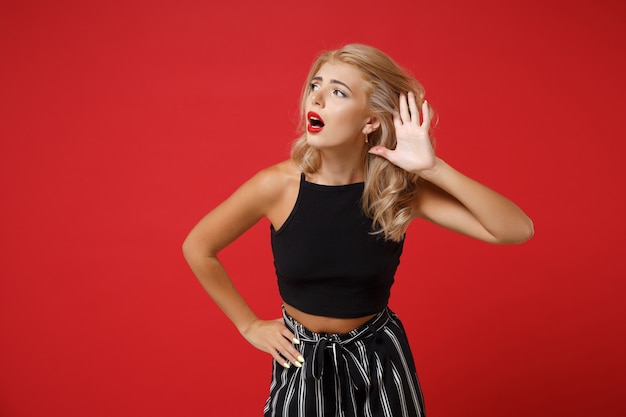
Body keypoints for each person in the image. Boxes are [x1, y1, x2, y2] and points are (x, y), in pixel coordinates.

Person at [182, 44, 533, 417]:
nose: (315, 97)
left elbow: (515, 229)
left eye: (338, 92)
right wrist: (248, 325)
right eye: (315, 85)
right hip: (303, 361)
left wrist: (432, 168)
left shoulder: (397, 190)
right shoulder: (276, 185)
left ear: (370, 121)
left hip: (380, 359)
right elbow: (198, 247)